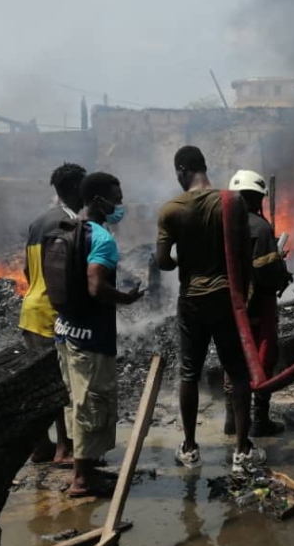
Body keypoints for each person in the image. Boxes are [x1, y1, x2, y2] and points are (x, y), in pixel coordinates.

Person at [157, 146, 265, 474]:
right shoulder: (231, 202)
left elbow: (162, 261)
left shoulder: (171, 210)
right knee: (238, 373)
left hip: (191, 299)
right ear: (204, 167)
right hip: (227, 299)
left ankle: (190, 448)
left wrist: (182, 261)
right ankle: (242, 450)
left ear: (181, 170)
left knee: (189, 372)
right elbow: (245, 255)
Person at [54, 172, 143, 497]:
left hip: (65, 331)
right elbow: (95, 286)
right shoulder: (102, 238)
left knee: (77, 403)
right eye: (116, 199)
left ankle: (85, 470)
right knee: (93, 404)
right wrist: (127, 299)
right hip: (90, 337)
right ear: (98, 201)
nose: (119, 205)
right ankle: (82, 480)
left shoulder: (67, 229)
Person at [19, 162, 86, 465]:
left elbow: (25, 269)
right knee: (60, 385)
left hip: (30, 309)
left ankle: (41, 445)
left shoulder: (37, 222)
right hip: (52, 312)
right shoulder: (69, 222)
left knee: (39, 384)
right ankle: (64, 447)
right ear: (74, 188)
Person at [222, 169, 292, 438]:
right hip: (257, 309)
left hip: (228, 305)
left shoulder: (223, 223)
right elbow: (267, 274)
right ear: (258, 197)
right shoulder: (261, 228)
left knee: (233, 363)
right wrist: (282, 271)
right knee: (263, 360)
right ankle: (260, 421)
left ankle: (232, 420)